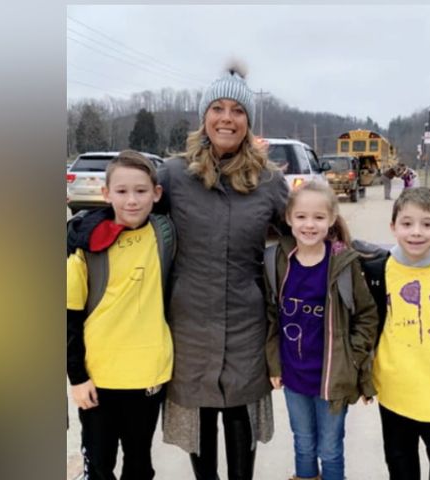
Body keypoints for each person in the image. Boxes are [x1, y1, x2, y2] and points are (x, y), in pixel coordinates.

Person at [156, 63, 289, 480]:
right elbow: (133, 215)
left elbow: (305, 230)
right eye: (218, 108)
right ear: (204, 117)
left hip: (246, 321)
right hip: (190, 321)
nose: (226, 118)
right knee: (200, 421)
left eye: (237, 110)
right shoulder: (174, 174)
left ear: (248, 122)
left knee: (239, 418)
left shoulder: (267, 181)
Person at [66, 150, 175, 480]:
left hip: (148, 373)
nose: (132, 201)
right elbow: (67, 318)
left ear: (156, 194)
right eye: (122, 191)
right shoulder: (84, 247)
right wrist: (77, 377)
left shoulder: (165, 235)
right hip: (99, 378)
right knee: (99, 463)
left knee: (140, 462)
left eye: (141, 191)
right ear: (106, 194)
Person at [264, 181, 378, 480]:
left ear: (331, 220)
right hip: (294, 376)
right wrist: (275, 363)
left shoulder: (343, 262)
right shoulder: (278, 261)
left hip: (333, 377)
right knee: (302, 444)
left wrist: (352, 356)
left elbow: (367, 315)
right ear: (289, 219)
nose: (309, 224)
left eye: (318, 217)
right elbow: (272, 316)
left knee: (330, 448)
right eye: (301, 216)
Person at [372, 187, 430, 480]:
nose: (416, 232)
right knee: (400, 466)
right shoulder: (379, 270)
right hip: (392, 390)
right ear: (393, 227)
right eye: (407, 223)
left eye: (427, 224)